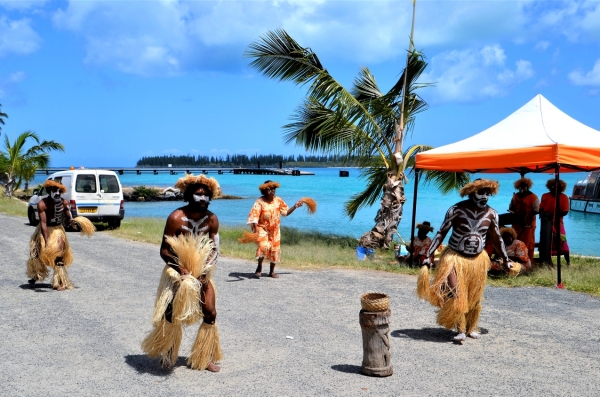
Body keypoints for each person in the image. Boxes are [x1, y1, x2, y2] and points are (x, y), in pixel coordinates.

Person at [141, 174, 223, 372]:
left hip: (202, 272)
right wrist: (180, 269)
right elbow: (164, 250)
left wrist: (204, 271)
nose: (202, 198)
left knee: (210, 312)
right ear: (189, 195)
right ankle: (169, 353)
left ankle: (204, 357)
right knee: (172, 313)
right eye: (198, 194)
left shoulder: (212, 220)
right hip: (178, 272)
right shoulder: (176, 218)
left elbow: (214, 249)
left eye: (206, 195)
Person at [417, 178, 511, 342]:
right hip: (454, 257)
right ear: (472, 192)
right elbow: (441, 232)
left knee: (474, 297)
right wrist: (428, 255)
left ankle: (470, 327)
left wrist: (506, 259)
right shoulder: (456, 210)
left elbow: (497, 238)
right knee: (456, 292)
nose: (485, 197)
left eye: (488, 194)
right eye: (481, 192)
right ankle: (460, 329)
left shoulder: (492, 214)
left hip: (477, 260)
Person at [246, 180, 303, 278]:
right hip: (262, 229)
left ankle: (271, 272)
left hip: (275, 230)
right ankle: (259, 267)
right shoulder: (260, 202)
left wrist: (295, 206)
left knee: (275, 249)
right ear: (265, 190)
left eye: (274, 189)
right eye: (271, 189)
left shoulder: (278, 200)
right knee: (263, 246)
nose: (273, 190)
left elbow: (285, 213)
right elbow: (254, 216)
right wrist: (255, 231)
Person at [26, 180, 76, 290]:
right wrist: (46, 239)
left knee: (59, 252)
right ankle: (36, 274)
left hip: (58, 229)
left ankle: (59, 281)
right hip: (45, 228)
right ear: (49, 191)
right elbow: (43, 223)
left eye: (59, 191)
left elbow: (69, 217)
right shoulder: (42, 204)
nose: (57, 193)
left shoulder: (64, 203)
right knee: (36, 252)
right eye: (54, 191)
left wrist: (73, 222)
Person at [539, 178, 570, 266]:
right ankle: (549, 262)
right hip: (546, 223)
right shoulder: (545, 196)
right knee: (547, 242)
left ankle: (568, 262)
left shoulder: (564, 197)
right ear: (550, 187)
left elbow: (565, 211)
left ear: (561, 188)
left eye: (558, 187)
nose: (555, 189)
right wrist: (543, 214)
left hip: (558, 223)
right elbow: (541, 208)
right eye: (553, 187)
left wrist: (554, 215)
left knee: (562, 241)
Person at [508, 177, 539, 264]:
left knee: (527, 244)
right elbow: (511, 207)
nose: (522, 188)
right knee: (515, 243)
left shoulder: (533, 197)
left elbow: (537, 210)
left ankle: (527, 262)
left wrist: (528, 216)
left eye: (524, 186)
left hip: (528, 225)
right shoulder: (515, 196)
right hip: (516, 224)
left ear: (527, 186)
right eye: (520, 186)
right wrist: (512, 209)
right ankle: (516, 261)